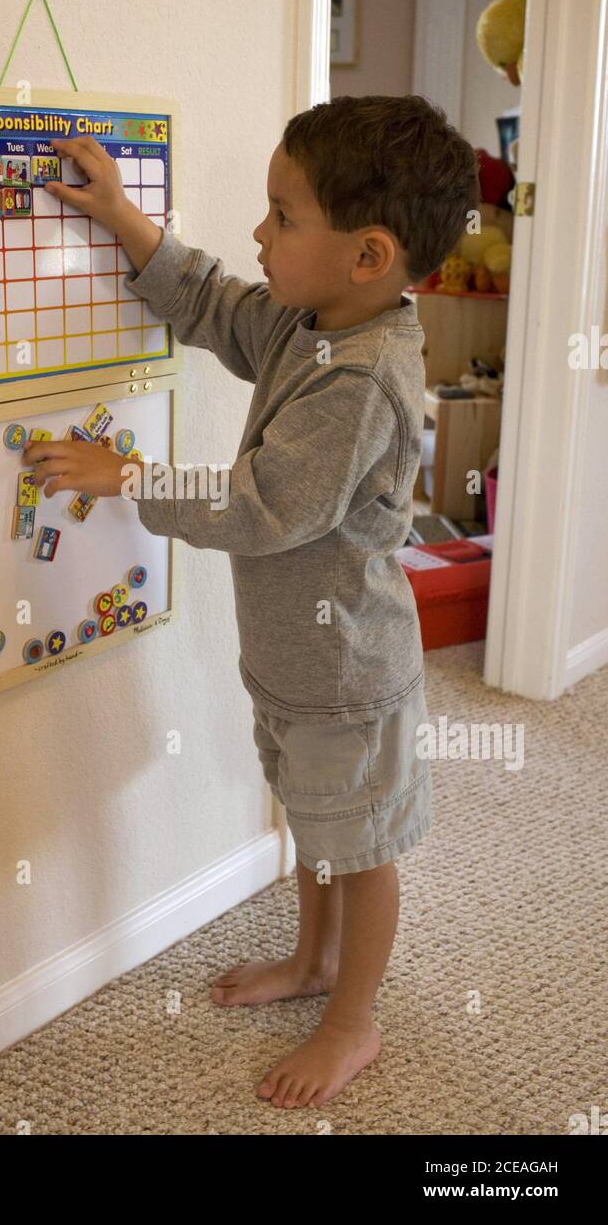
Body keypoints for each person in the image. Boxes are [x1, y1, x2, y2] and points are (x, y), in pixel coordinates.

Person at [23, 96, 480, 1109]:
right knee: (318, 827)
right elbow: (216, 304)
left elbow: (264, 507)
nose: (259, 234)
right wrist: (122, 219)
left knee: (357, 850)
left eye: (280, 215)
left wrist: (128, 475)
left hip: (347, 675)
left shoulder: (361, 380)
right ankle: (312, 962)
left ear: (366, 256)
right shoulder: (311, 322)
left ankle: (351, 1019)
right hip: (290, 660)